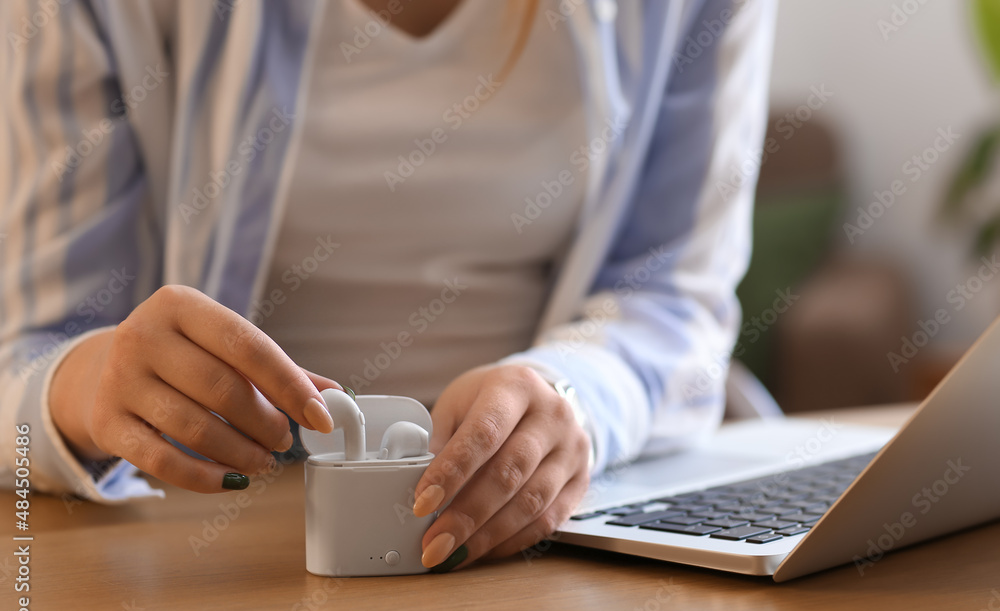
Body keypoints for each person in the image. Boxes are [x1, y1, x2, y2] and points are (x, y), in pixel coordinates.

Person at [0, 0, 775, 572]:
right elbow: (24, 362)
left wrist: (572, 395)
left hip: (540, 549)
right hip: (210, 567)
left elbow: (673, 295)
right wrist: (90, 385)